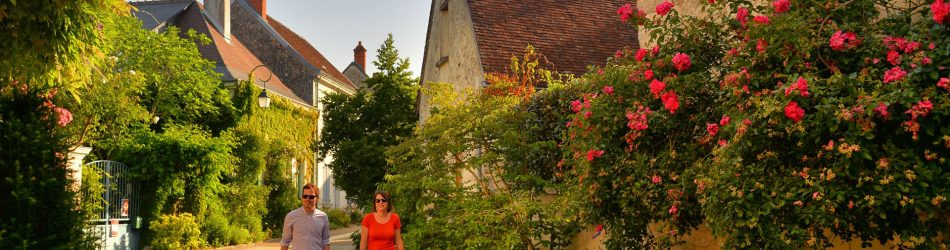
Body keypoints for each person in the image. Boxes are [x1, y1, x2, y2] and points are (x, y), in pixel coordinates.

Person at [281, 183, 330, 250]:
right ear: (302, 198)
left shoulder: (323, 217)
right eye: (305, 196)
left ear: (317, 199)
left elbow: (325, 241)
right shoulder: (291, 216)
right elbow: (285, 241)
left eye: (311, 197)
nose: (307, 199)